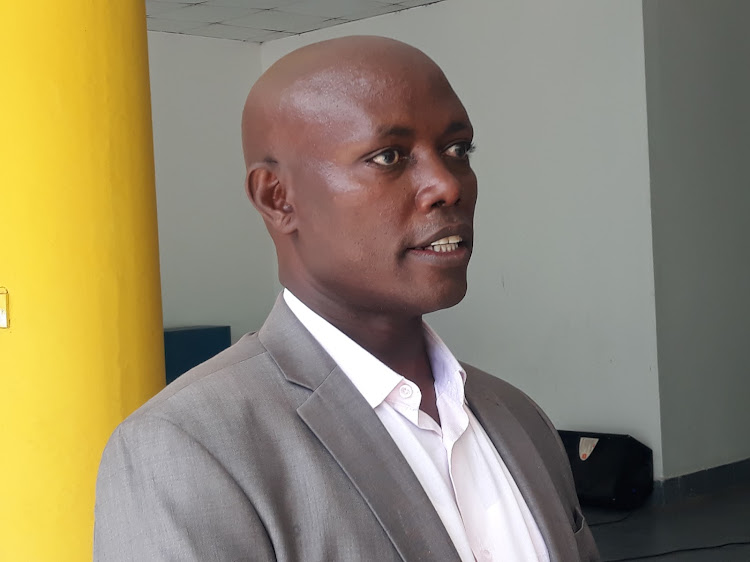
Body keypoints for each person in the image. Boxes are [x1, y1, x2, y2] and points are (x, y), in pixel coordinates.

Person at [94, 36, 599, 561]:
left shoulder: (517, 418)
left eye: (457, 149)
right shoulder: (188, 449)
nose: (447, 185)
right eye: (389, 156)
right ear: (277, 198)